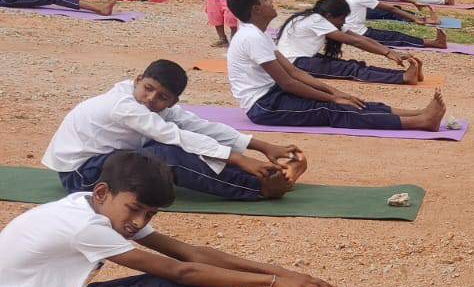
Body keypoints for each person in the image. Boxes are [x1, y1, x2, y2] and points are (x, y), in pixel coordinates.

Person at [0, 151, 348, 287]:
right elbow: (182, 271)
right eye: (135, 210)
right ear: (104, 192)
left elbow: (191, 254)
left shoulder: (99, 208)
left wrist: (282, 272)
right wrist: (272, 282)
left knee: (161, 284)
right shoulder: (84, 226)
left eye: (150, 214)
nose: (139, 222)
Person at [43, 60, 306, 201]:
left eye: (161, 96)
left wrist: (262, 146)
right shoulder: (123, 105)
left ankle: (265, 175)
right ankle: (259, 188)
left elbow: (200, 126)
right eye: (147, 88)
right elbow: (174, 136)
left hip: (103, 162)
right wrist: (238, 157)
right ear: (137, 80)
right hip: (79, 177)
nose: (150, 98)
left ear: (172, 101)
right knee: (166, 156)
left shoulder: (156, 106)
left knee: (186, 142)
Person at [225, 0, 446, 131]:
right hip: (264, 106)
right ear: (256, 9)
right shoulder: (251, 37)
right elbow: (288, 82)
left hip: (274, 95)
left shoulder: (257, 34)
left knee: (349, 101)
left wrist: (336, 91)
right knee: (333, 110)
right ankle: (421, 122)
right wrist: (332, 98)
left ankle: (416, 114)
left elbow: (295, 72)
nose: (271, 1)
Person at [277, 0, 424, 86]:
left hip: (302, 60)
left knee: (353, 65)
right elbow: (354, 42)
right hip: (294, 64)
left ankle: (404, 75)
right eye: (341, 19)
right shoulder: (316, 20)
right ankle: (404, 77)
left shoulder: (321, 18)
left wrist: (391, 52)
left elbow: (359, 38)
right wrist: (387, 53)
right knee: (351, 70)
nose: (343, 22)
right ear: (329, 15)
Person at [346, 0, 448, 50]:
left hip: (355, 32)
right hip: (358, 34)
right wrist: (415, 18)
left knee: (392, 33)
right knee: (397, 37)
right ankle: (437, 43)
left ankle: (434, 40)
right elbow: (391, 9)